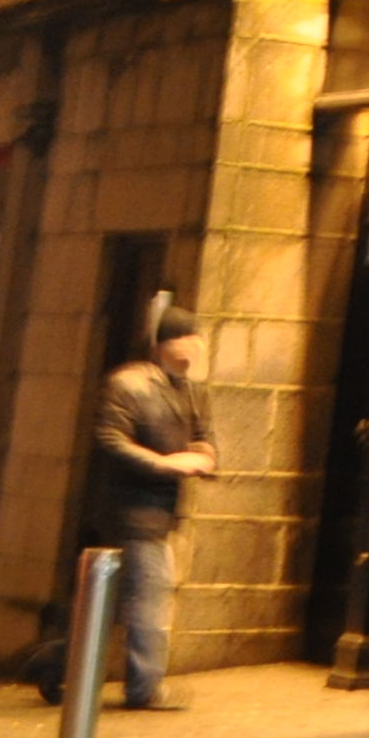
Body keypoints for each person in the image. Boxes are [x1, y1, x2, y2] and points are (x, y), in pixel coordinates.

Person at [89, 294, 217, 709]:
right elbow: (111, 440)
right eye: (190, 338)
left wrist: (204, 456)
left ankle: (60, 667)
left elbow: (205, 435)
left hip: (162, 510)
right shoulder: (129, 384)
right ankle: (144, 687)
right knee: (148, 597)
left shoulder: (192, 391)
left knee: (124, 601)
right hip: (134, 508)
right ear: (168, 344)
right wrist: (166, 464)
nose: (198, 346)